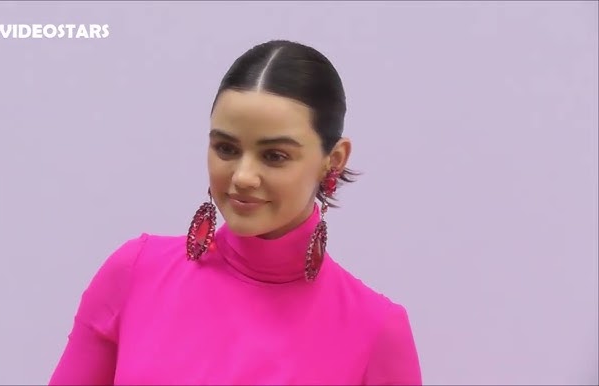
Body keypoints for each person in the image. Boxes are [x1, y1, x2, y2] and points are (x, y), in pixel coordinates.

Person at [48, 39, 422, 385]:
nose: (242, 177)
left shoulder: (375, 330)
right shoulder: (135, 273)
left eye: (274, 156)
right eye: (226, 149)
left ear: (333, 160)